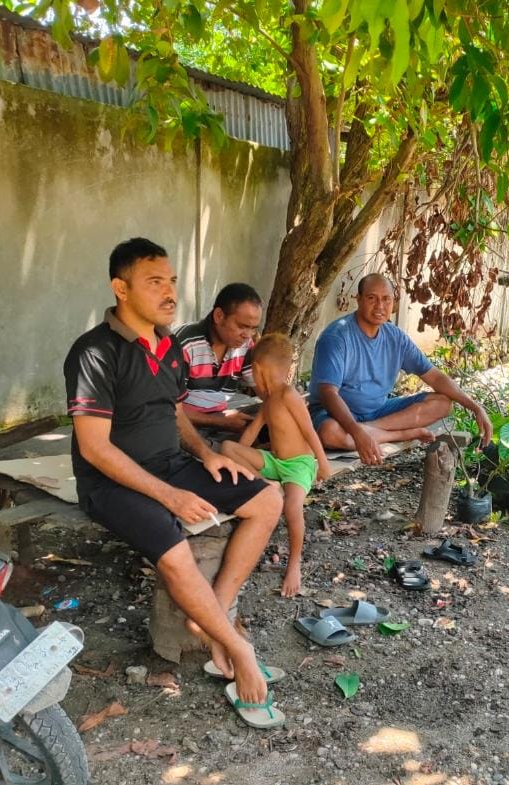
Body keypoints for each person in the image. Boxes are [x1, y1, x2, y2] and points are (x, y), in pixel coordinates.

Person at [64, 238, 283, 708]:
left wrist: (206, 454)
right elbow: (94, 449)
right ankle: (237, 647)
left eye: (172, 281)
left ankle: (214, 615)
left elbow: (174, 410)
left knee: (268, 500)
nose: (169, 292)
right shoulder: (94, 353)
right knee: (175, 547)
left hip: (171, 464)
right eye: (155, 282)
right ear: (120, 288)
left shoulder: (167, 346)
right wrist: (169, 496)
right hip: (112, 482)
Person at [308, 273, 493, 465]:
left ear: (393, 302)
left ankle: (369, 430)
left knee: (443, 403)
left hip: (377, 411)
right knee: (329, 433)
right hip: (336, 415)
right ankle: (399, 433)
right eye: (372, 298)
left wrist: (475, 407)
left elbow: (435, 377)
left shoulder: (395, 337)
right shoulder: (337, 336)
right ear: (359, 299)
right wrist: (355, 431)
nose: (380, 306)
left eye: (386, 299)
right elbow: (328, 393)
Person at [220, 332, 332, 598]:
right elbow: (249, 435)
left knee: (292, 508)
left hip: (298, 466)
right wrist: (239, 455)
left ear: (258, 370)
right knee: (226, 447)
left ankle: (294, 564)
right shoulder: (268, 400)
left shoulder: (290, 395)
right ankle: (265, 484)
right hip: (276, 462)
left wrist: (322, 462)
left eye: (253, 374)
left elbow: (310, 431)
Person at [174, 283, 263, 434]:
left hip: (223, 416)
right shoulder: (185, 344)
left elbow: (264, 390)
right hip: (184, 428)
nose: (248, 335)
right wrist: (220, 421)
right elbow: (169, 411)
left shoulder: (245, 345)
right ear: (219, 316)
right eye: (242, 326)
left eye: (253, 328)